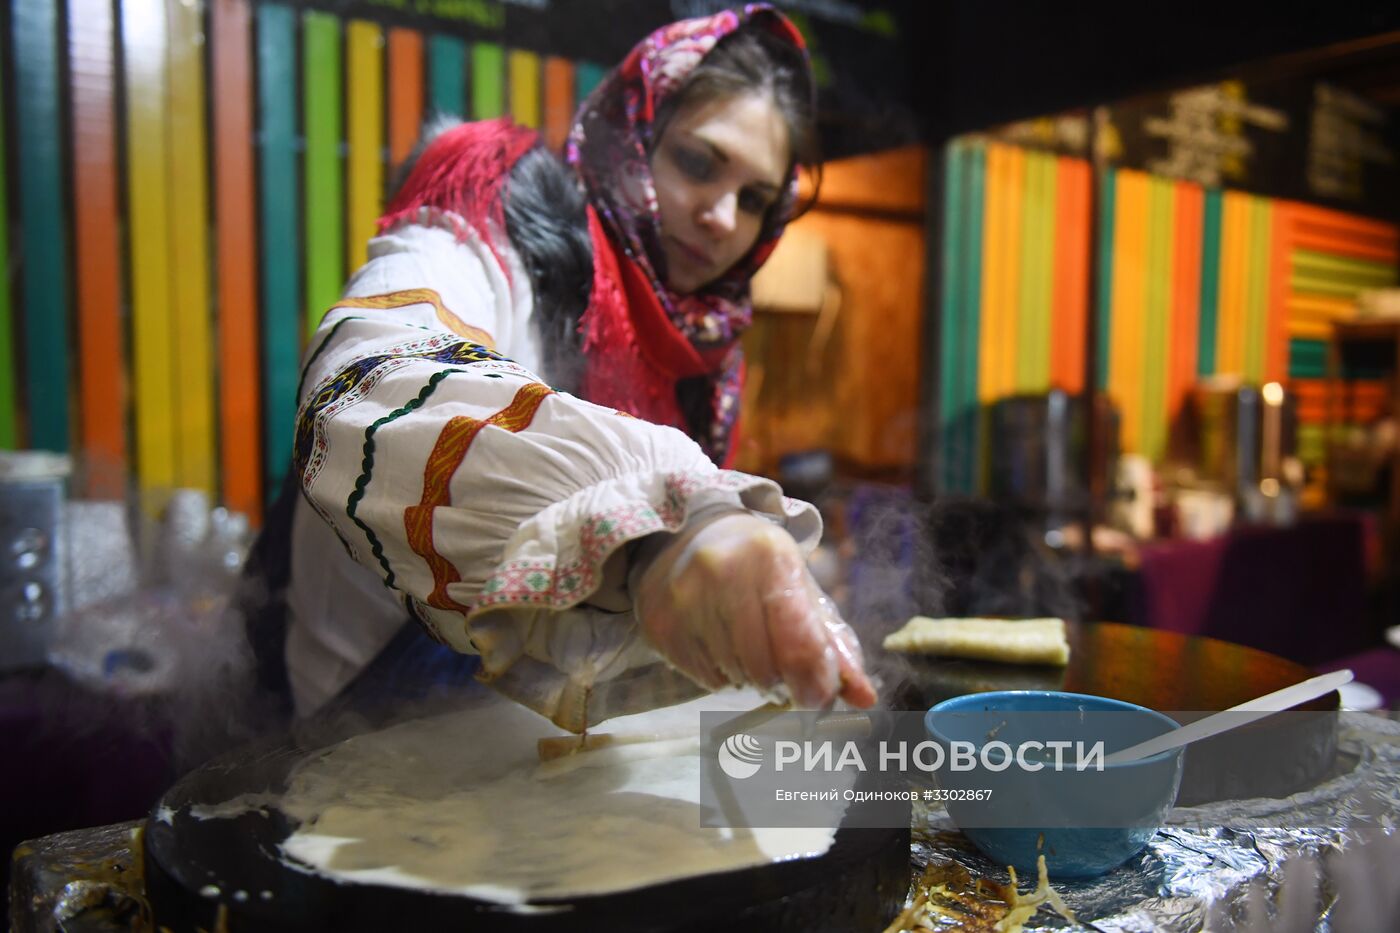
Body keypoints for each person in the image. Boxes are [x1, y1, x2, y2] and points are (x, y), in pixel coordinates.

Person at [242, 4, 876, 734]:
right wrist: (656, 528)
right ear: (633, 134)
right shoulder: (501, 225)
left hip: (524, 747)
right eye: (699, 162)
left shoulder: (700, 356)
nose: (723, 216)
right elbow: (365, 381)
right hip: (351, 726)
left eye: (756, 200)